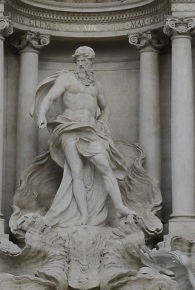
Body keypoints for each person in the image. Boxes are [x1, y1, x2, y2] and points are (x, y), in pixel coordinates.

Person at [34, 47, 142, 228]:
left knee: (105, 166)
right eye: (79, 60)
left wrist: (103, 122)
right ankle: (83, 215)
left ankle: (120, 206)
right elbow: (49, 98)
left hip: (90, 131)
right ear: (75, 61)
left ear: (92, 62)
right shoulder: (66, 79)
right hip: (68, 128)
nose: (82, 63)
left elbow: (106, 108)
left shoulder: (96, 85)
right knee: (76, 172)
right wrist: (41, 116)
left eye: (86, 60)